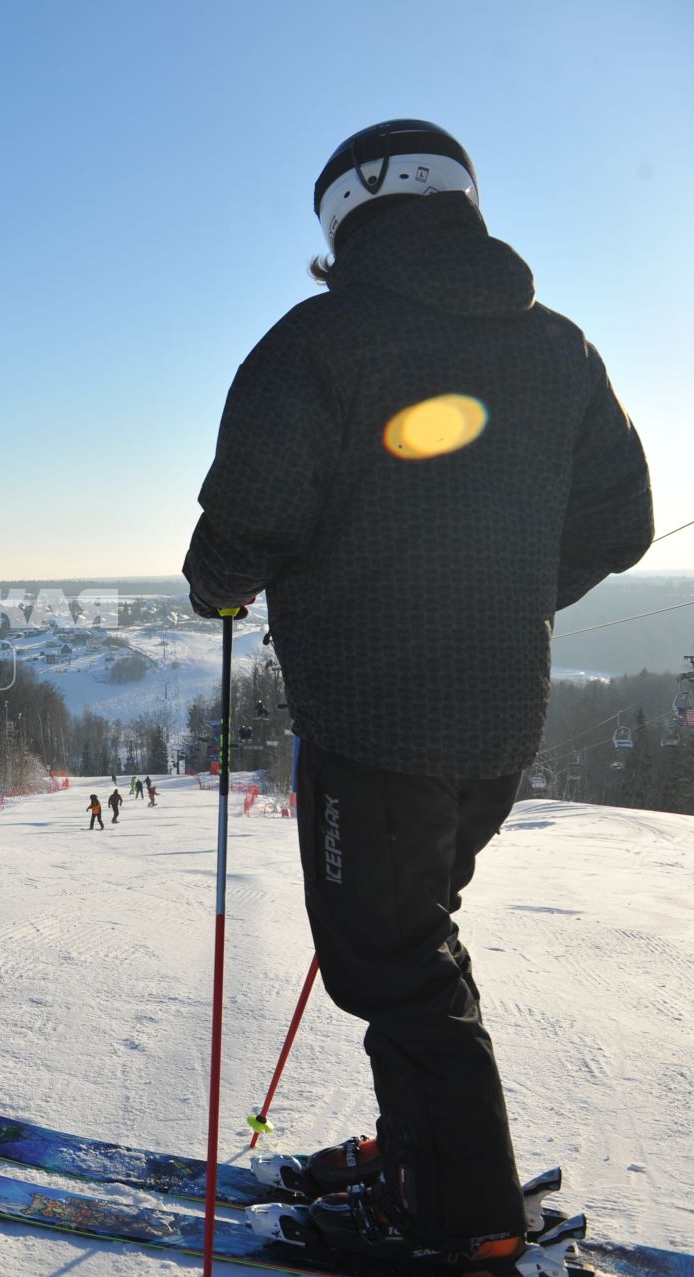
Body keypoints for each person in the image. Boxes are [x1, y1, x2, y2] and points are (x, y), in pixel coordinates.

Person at [183, 121, 652, 1273]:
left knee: (392, 963)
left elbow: (246, 523)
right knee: (412, 942)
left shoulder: (319, 342)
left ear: (344, 217)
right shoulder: (562, 348)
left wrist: (220, 582)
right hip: (498, 724)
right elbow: (623, 522)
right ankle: (424, 1152)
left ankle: (457, 1214)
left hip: (372, 727)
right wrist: (500, 595)